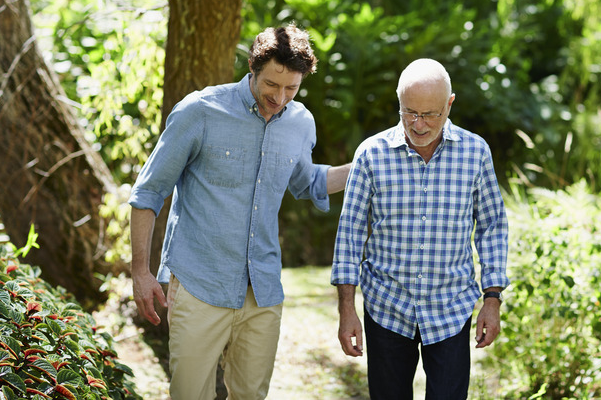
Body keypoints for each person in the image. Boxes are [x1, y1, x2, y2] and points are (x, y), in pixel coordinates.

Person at [129, 23, 350, 400]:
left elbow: (306, 182)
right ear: (252, 69)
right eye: (271, 85)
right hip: (200, 283)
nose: (280, 97)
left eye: (291, 88)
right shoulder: (200, 111)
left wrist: (363, 169)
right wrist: (140, 271)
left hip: (262, 290)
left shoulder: (301, 123)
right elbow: (148, 193)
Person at [330, 58, 509, 400]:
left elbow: (492, 226)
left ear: (449, 104)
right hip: (387, 308)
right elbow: (350, 233)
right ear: (398, 104)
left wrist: (492, 298)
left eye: (431, 114)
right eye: (410, 112)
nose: (420, 124)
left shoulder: (476, 152)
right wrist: (347, 309)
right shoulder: (371, 154)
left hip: (451, 308)